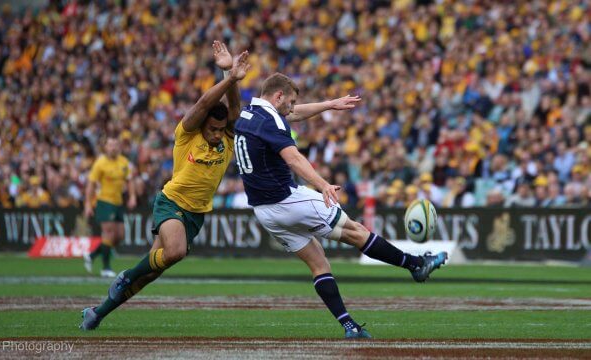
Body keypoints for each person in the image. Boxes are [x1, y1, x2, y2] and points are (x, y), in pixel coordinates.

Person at [233, 73, 447, 339]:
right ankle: (415, 265)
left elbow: (294, 114)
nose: (292, 108)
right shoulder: (272, 120)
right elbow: (294, 159)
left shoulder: (249, 114)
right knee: (355, 231)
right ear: (278, 96)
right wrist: (322, 184)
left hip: (265, 212)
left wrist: (329, 104)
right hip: (289, 199)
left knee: (319, 263)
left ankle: (349, 326)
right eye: (289, 102)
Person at [80, 41, 250, 330]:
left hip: (196, 214)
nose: (216, 134)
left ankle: (97, 313)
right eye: (212, 129)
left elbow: (233, 110)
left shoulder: (226, 139)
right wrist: (228, 78)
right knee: (175, 252)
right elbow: (203, 105)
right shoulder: (186, 136)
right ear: (201, 125)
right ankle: (126, 275)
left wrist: (232, 77)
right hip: (171, 202)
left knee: (149, 274)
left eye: (221, 130)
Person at [83, 137, 137, 277]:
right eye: (110, 144)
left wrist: (132, 196)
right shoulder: (100, 163)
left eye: (115, 144)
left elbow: (130, 180)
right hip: (104, 201)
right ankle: (106, 268)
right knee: (109, 233)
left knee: (119, 236)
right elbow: (91, 185)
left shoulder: (124, 162)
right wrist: (88, 204)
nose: (113, 147)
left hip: (118, 203)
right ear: (105, 147)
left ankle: (92, 255)